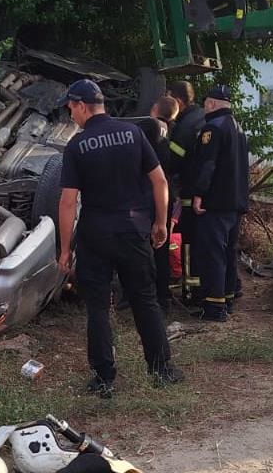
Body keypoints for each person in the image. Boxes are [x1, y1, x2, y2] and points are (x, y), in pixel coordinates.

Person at [56, 79, 183, 399]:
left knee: (98, 308)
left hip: (95, 235)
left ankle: (103, 379)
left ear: (82, 106)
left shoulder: (76, 146)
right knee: (145, 300)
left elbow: (68, 202)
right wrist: (160, 222)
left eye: (71, 108)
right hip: (133, 231)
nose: (71, 115)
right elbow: (160, 182)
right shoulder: (134, 134)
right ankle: (162, 370)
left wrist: (64, 249)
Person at [189, 84, 250, 322]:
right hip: (235, 202)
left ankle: (214, 307)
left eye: (205, 104)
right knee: (228, 251)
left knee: (212, 253)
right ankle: (227, 297)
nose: (204, 109)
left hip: (215, 202)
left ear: (212, 104)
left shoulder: (212, 129)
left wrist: (198, 193)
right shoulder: (238, 127)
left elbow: (208, 165)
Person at [165, 81, 205, 304]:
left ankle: (191, 293)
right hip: (207, 195)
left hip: (190, 195)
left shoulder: (184, 126)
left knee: (189, 246)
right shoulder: (202, 115)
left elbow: (172, 162)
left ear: (178, 101)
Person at [149, 95, 180, 312]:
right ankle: (163, 295)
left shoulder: (149, 129)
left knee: (146, 245)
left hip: (150, 195)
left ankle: (147, 294)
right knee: (162, 244)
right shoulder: (173, 132)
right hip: (167, 195)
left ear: (154, 109)